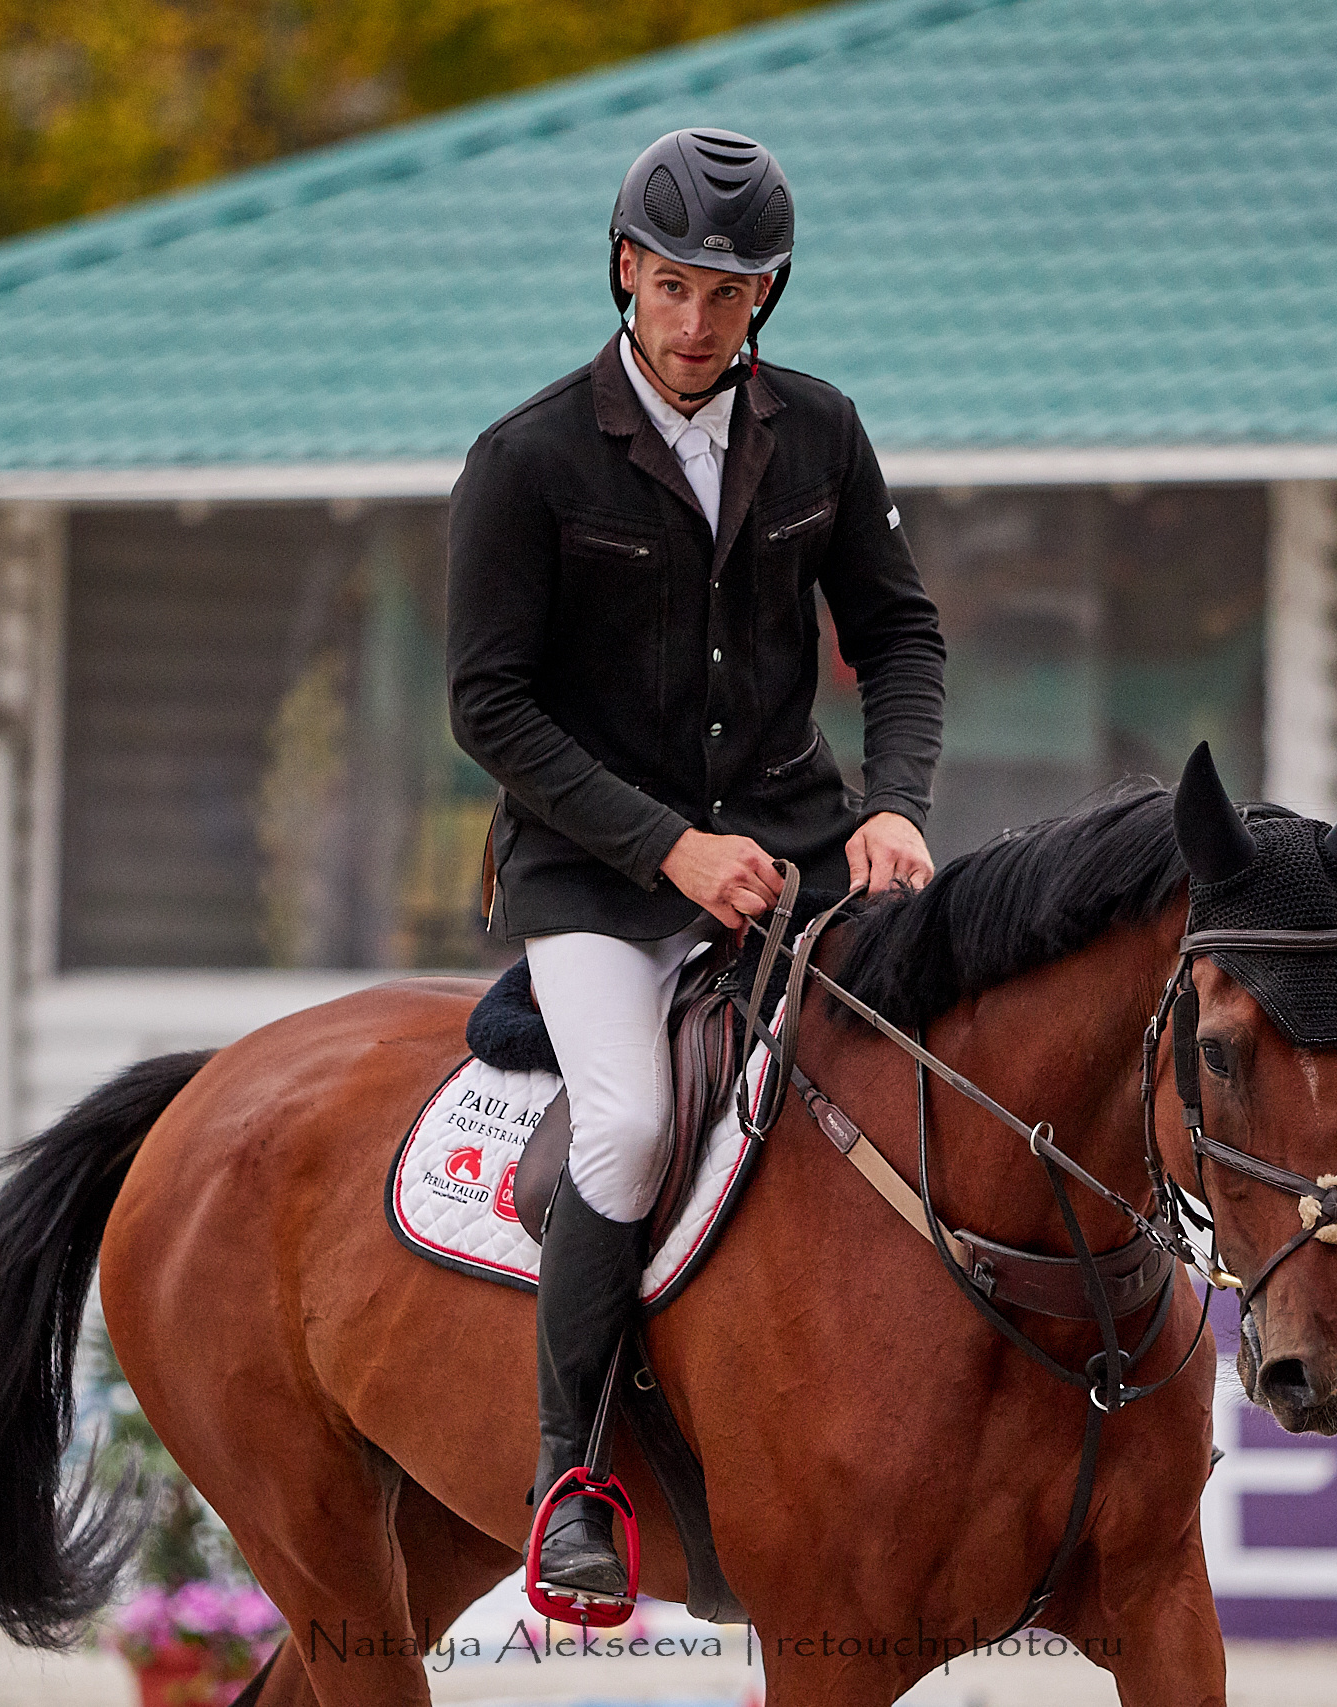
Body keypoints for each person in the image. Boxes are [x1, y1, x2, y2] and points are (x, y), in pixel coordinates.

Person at [446, 126, 947, 1600]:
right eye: (670, 288)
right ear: (623, 270)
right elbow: (488, 705)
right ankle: (571, 1483)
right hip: (597, 879)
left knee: (924, 1080)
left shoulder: (824, 432)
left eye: (726, 297)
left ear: (766, 296)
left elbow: (900, 634)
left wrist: (897, 801)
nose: (692, 323)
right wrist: (667, 848)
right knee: (630, 1132)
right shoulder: (528, 459)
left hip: (799, 850)